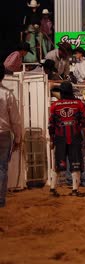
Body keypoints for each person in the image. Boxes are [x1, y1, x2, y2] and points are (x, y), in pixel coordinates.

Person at [48, 81, 85, 197]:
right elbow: (84, 124)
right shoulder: (79, 104)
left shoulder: (54, 106)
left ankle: (52, 188)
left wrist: (52, 140)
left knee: (57, 164)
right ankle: (75, 190)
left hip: (60, 138)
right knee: (75, 163)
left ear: (61, 92)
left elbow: (51, 125)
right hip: (75, 137)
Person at [0, 65, 22, 207]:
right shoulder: (7, 94)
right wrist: (18, 138)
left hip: (4, 132)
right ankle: (0, 199)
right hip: (4, 133)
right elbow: (15, 120)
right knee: (2, 167)